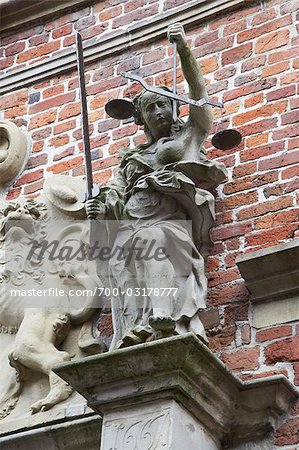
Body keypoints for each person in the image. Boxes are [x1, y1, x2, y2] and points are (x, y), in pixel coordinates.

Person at [86, 23, 227, 350]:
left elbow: (200, 101)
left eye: (164, 103)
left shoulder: (183, 141)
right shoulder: (130, 158)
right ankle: (140, 326)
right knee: (127, 255)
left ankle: (162, 315)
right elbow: (114, 197)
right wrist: (101, 206)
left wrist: (184, 50)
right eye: (151, 107)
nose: (159, 111)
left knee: (152, 240)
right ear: (140, 119)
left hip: (167, 222)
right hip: (131, 223)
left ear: (174, 107)